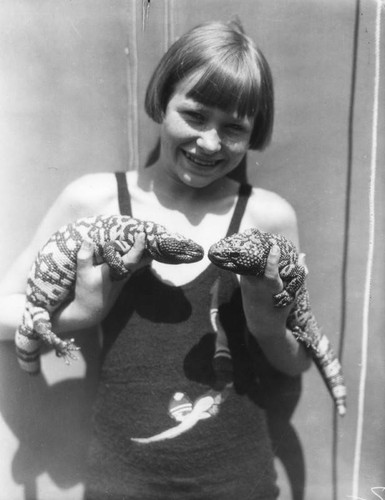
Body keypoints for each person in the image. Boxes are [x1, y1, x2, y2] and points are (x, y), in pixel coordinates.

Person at [0, 19, 311, 499]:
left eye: (234, 128)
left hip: (239, 479)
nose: (210, 142)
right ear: (162, 101)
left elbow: (295, 364)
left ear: (254, 134)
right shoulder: (95, 201)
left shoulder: (267, 217)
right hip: (120, 479)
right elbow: (3, 310)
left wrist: (269, 326)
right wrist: (81, 314)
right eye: (195, 114)